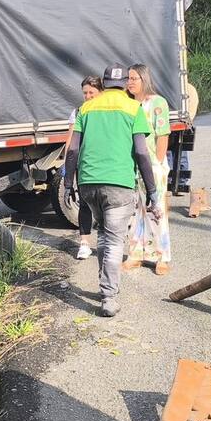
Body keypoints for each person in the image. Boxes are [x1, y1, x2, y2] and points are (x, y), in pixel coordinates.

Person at [64, 64, 161, 318]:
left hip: (88, 184)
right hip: (118, 184)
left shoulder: (87, 108)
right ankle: (108, 296)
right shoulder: (133, 108)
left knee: (104, 237)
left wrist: (67, 184)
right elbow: (141, 152)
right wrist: (151, 190)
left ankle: (104, 286)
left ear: (104, 84)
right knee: (115, 240)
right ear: (123, 84)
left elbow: (73, 150)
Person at [123, 64, 172, 275]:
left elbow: (163, 135)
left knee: (156, 210)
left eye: (134, 78)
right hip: (130, 166)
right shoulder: (126, 104)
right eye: (128, 78)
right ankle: (136, 254)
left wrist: (158, 164)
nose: (130, 82)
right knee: (135, 213)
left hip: (152, 165)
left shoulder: (157, 103)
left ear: (144, 79)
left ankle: (163, 257)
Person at [63, 75, 103, 260]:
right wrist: (67, 170)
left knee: (107, 204)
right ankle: (85, 243)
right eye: (85, 92)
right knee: (85, 205)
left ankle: (109, 243)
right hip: (84, 165)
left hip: (104, 163)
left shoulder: (107, 110)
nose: (87, 96)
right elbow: (70, 141)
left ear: (101, 92)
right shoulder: (78, 112)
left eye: (91, 92)